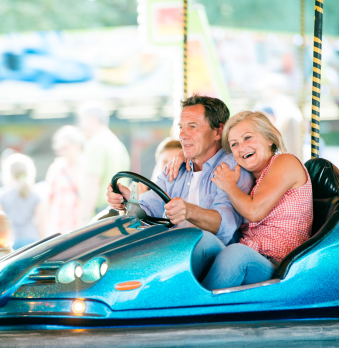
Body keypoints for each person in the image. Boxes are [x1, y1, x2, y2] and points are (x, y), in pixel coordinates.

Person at [106, 95, 254, 279]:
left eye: (193, 126)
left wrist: (189, 211)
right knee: (111, 226)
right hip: (175, 252)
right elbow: (149, 207)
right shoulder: (176, 167)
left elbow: (225, 225)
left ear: (218, 131)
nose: (183, 135)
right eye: (181, 127)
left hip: (216, 255)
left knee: (200, 237)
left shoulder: (231, 167)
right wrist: (128, 201)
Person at [201, 111, 313, 290]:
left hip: (279, 265)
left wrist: (229, 185)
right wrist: (183, 157)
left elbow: (254, 212)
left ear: (269, 139)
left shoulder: (286, 162)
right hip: (252, 252)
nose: (241, 147)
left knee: (236, 254)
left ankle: (188, 314)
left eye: (247, 138)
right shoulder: (251, 179)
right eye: (234, 144)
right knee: (202, 240)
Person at [79, 103, 130, 221]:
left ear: (93, 120)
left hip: (101, 213)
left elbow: (93, 183)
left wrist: (85, 217)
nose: (81, 125)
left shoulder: (95, 144)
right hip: (119, 211)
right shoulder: (117, 144)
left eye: (83, 120)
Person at [0, 153, 44, 249]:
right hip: (32, 240)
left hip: (10, 241)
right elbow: (40, 223)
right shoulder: (35, 195)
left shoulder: (1, 195)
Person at [44, 125, 86, 236]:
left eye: (66, 148)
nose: (62, 152)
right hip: (57, 227)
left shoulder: (86, 167)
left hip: (79, 225)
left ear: (77, 146)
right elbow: (48, 198)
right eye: (60, 148)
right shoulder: (56, 168)